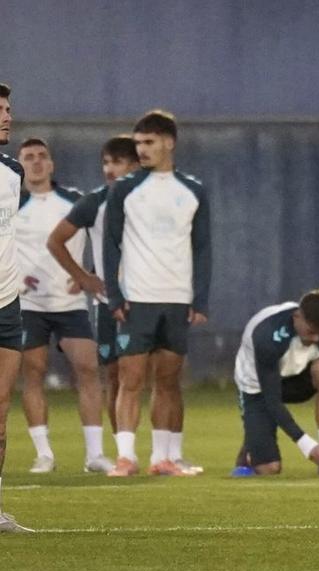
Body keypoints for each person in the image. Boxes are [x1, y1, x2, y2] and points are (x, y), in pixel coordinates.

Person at [103, 110, 212, 477]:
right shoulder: (126, 189)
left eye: (148, 142)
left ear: (169, 142)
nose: (142, 149)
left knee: (168, 381)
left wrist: (201, 299)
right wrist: (115, 297)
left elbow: (203, 248)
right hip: (139, 298)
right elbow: (110, 245)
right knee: (130, 379)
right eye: (138, 143)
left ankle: (162, 458)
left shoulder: (193, 191)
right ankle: (125, 457)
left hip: (177, 298)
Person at [13, 138, 108, 474]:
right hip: (27, 303)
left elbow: (105, 237)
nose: (36, 162)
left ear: (52, 164)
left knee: (88, 368)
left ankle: (94, 455)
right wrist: (15, 278)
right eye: (29, 157)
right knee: (33, 372)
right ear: (20, 164)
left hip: (69, 303)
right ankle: (44, 454)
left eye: (42, 157)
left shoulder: (73, 201)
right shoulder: (10, 204)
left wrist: (87, 274)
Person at [48, 135, 141, 449]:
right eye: (105, 162)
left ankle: (165, 453)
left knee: (150, 377)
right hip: (110, 304)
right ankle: (123, 451)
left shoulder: (150, 200)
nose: (109, 169)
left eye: (117, 162)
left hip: (149, 300)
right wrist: (84, 277)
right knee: (115, 376)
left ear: (136, 164)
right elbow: (56, 240)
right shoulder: (95, 201)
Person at [231, 290, 319, 476]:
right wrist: (307, 446)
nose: (316, 339)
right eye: (311, 332)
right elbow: (272, 400)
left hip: (295, 380)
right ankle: (252, 445)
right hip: (258, 389)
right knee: (269, 468)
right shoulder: (267, 336)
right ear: (297, 317)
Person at [0, 83, 33, 532]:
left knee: (1, 407)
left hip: (7, 301)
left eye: (8, 108)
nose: (7, 115)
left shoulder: (12, 170)